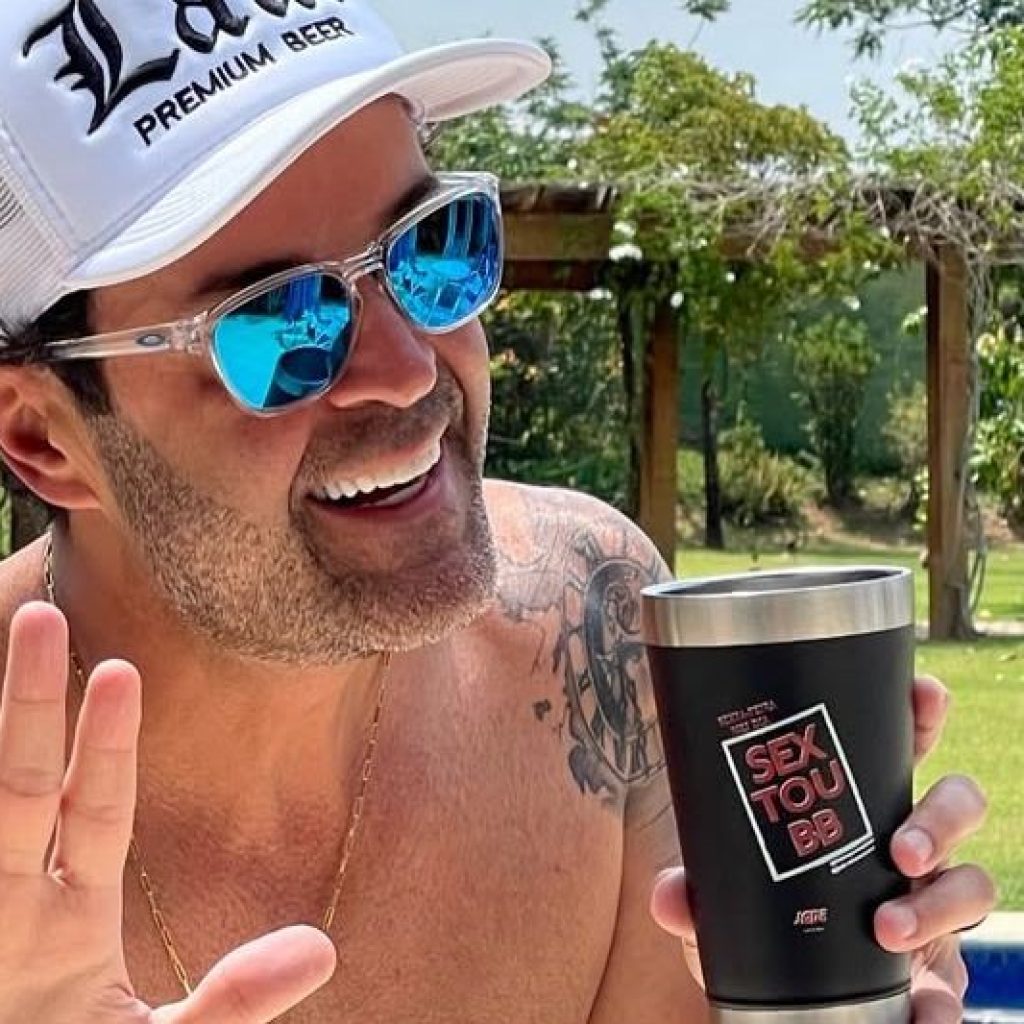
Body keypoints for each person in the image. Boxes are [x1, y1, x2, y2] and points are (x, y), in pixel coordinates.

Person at [0, 2, 995, 1021]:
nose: (405, 369)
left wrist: (845, 979)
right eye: (277, 322)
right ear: (43, 436)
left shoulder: (591, 623)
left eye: (433, 248)